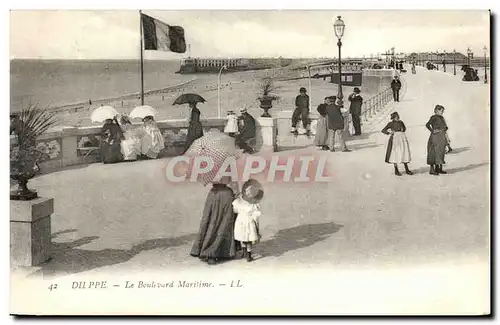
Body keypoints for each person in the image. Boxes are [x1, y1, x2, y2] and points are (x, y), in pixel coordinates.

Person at [190, 177, 237, 265]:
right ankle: (214, 252)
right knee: (222, 222)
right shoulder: (228, 165)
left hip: (216, 194)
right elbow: (234, 182)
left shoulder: (211, 167)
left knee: (214, 222)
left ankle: (211, 252)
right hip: (223, 194)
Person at [232, 179, 264, 262]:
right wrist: (257, 226)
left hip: (240, 221)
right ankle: (248, 255)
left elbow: (235, 210)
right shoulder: (254, 205)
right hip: (249, 222)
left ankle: (244, 252)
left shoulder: (238, 201)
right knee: (248, 239)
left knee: (242, 237)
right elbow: (256, 216)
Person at [381, 112, 413, 176]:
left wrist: (402, 130)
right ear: (393, 118)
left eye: (398, 116)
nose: (398, 117)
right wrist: (389, 133)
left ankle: (407, 169)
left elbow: (404, 129)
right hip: (395, 140)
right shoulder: (391, 123)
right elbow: (383, 130)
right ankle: (396, 170)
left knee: (404, 152)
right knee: (395, 154)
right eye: (396, 116)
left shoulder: (401, 122)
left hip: (402, 138)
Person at [425, 105, 448, 175]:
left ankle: (439, 169)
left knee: (440, 152)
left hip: (441, 137)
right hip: (435, 137)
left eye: (443, 111)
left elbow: (445, 126)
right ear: (437, 111)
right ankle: (432, 170)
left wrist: (444, 129)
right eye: (441, 111)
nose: (442, 112)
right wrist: (433, 130)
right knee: (433, 152)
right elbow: (427, 124)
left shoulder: (442, 117)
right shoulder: (433, 117)